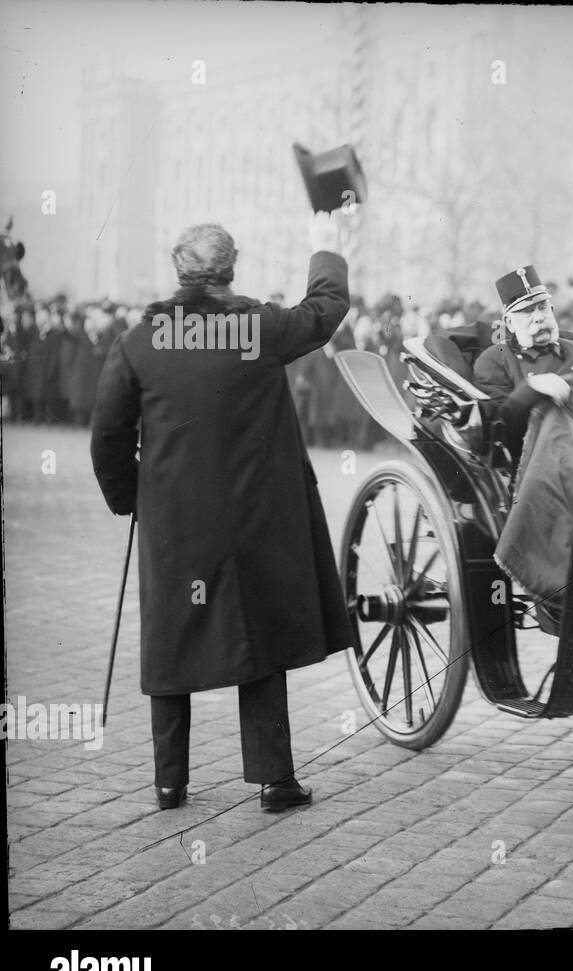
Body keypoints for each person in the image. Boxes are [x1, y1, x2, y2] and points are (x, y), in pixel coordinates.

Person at [90, 213, 352, 813]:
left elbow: (107, 435)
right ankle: (274, 780)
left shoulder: (139, 340)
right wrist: (324, 248)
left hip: (173, 521)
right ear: (231, 269)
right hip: (253, 516)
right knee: (253, 633)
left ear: (178, 269)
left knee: (169, 637)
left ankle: (169, 783)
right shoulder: (259, 328)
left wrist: (129, 495)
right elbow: (325, 310)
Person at [471, 265, 573, 466]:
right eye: (526, 312)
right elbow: (501, 431)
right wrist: (532, 388)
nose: (539, 317)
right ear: (509, 323)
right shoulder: (494, 360)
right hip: (534, 464)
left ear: (552, 311)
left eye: (542, 308)